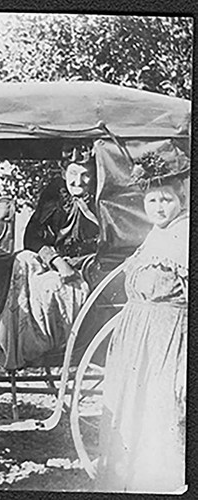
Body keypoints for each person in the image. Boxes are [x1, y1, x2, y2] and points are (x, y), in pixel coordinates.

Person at [95, 150, 189, 493]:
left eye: (166, 200)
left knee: (159, 417)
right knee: (134, 415)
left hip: (167, 342)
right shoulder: (156, 234)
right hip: (140, 341)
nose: (159, 207)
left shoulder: (185, 235)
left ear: (180, 199)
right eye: (152, 200)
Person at [0, 147, 99, 369]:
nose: (79, 181)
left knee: (48, 286)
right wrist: (55, 260)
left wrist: (67, 267)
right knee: (23, 259)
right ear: (64, 173)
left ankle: (33, 348)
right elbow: (33, 236)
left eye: (86, 175)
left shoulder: (100, 201)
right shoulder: (55, 193)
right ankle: (8, 339)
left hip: (82, 270)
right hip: (56, 263)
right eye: (73, 174)